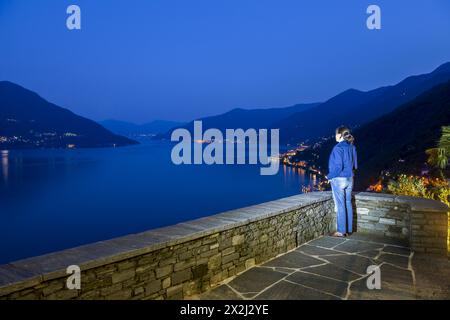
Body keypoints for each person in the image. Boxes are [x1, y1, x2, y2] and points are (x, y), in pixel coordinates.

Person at [327, 126, 357, 237]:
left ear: (339, 135)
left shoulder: (338, 148)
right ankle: (348, 229)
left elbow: (338, 167)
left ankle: (341, 231)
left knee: (340, 205)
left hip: (339, 179)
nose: (335, 136)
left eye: (335, 134)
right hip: (350, 178)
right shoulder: (351, 146)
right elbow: (355, 164)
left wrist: (329, 176)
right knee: (348, 203)